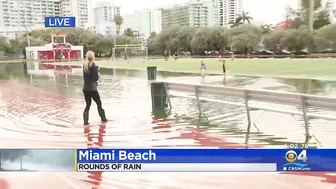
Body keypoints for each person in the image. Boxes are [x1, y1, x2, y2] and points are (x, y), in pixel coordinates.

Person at [82, 51, 107, 125]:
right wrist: (98, 73)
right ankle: (103, 119)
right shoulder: (93, 66)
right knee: (99, 104)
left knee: (87, 105)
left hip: (85, 89)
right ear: (93, 57)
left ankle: (85, 122)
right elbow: (95, 78)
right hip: (92, 89)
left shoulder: (85, 65)